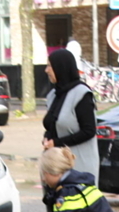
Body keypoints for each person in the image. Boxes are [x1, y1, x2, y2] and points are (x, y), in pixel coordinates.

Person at [42, 48, 98, 180]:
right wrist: (47, 138)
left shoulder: (82, 94)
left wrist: (56, 142)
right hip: (56, 166)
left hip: (79, 167)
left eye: (49, 66)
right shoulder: (53, 95)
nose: (46, 70)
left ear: (60, 67)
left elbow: (89, 131)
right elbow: (52, 126)